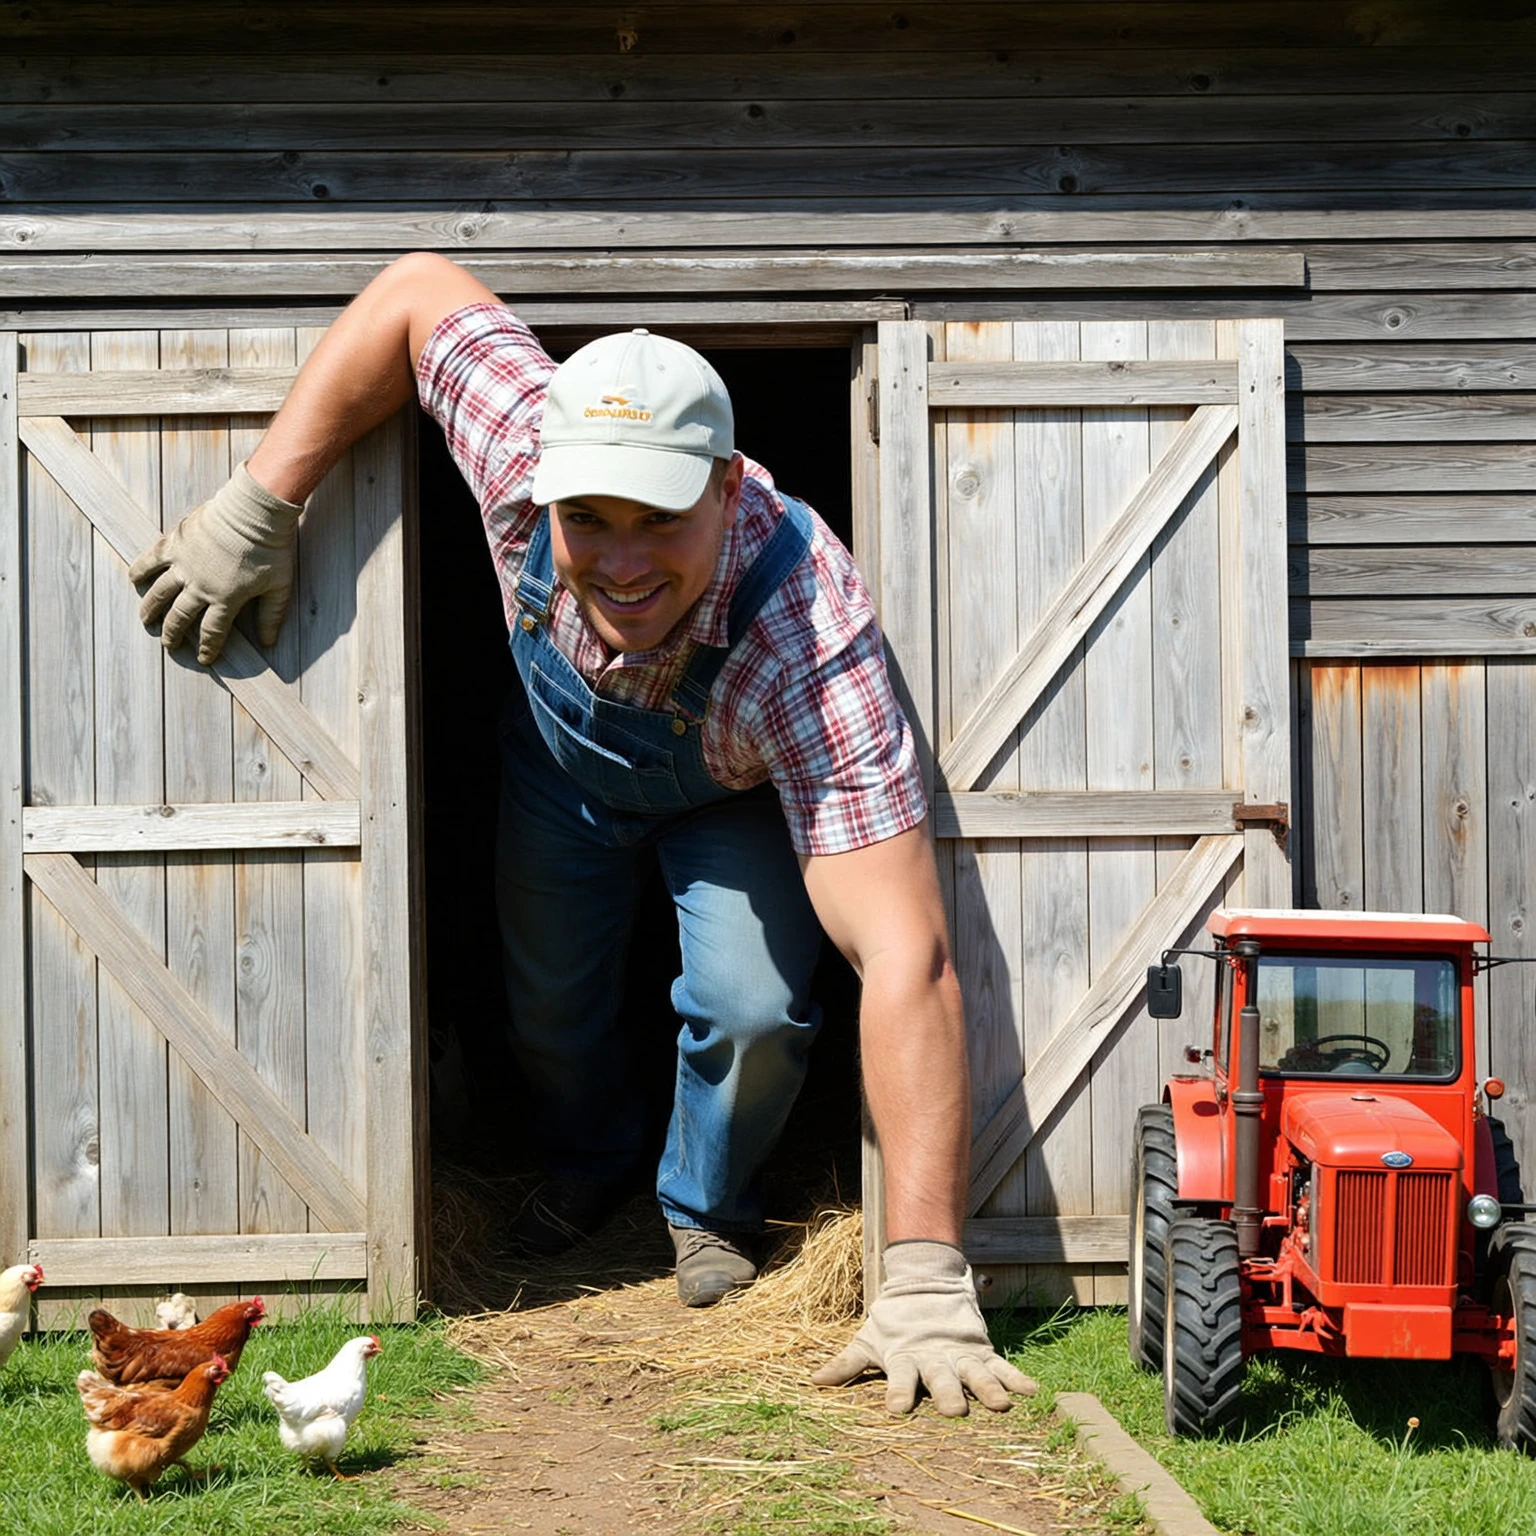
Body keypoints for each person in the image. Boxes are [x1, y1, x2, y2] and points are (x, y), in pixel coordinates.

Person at [127, 253, 1036, 1417]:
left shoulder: (810, 628)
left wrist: (921, 1274)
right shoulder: (521, 450)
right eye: (586, 519)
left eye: (657, 519)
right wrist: (266, 497)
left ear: (724, 485)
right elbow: (414, 292)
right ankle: (589, 1159)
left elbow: (909, 957)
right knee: (549, 1007)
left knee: (758, 1012)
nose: (618, 560)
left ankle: (704, 1205)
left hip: (736, 794)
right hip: (560, 775)